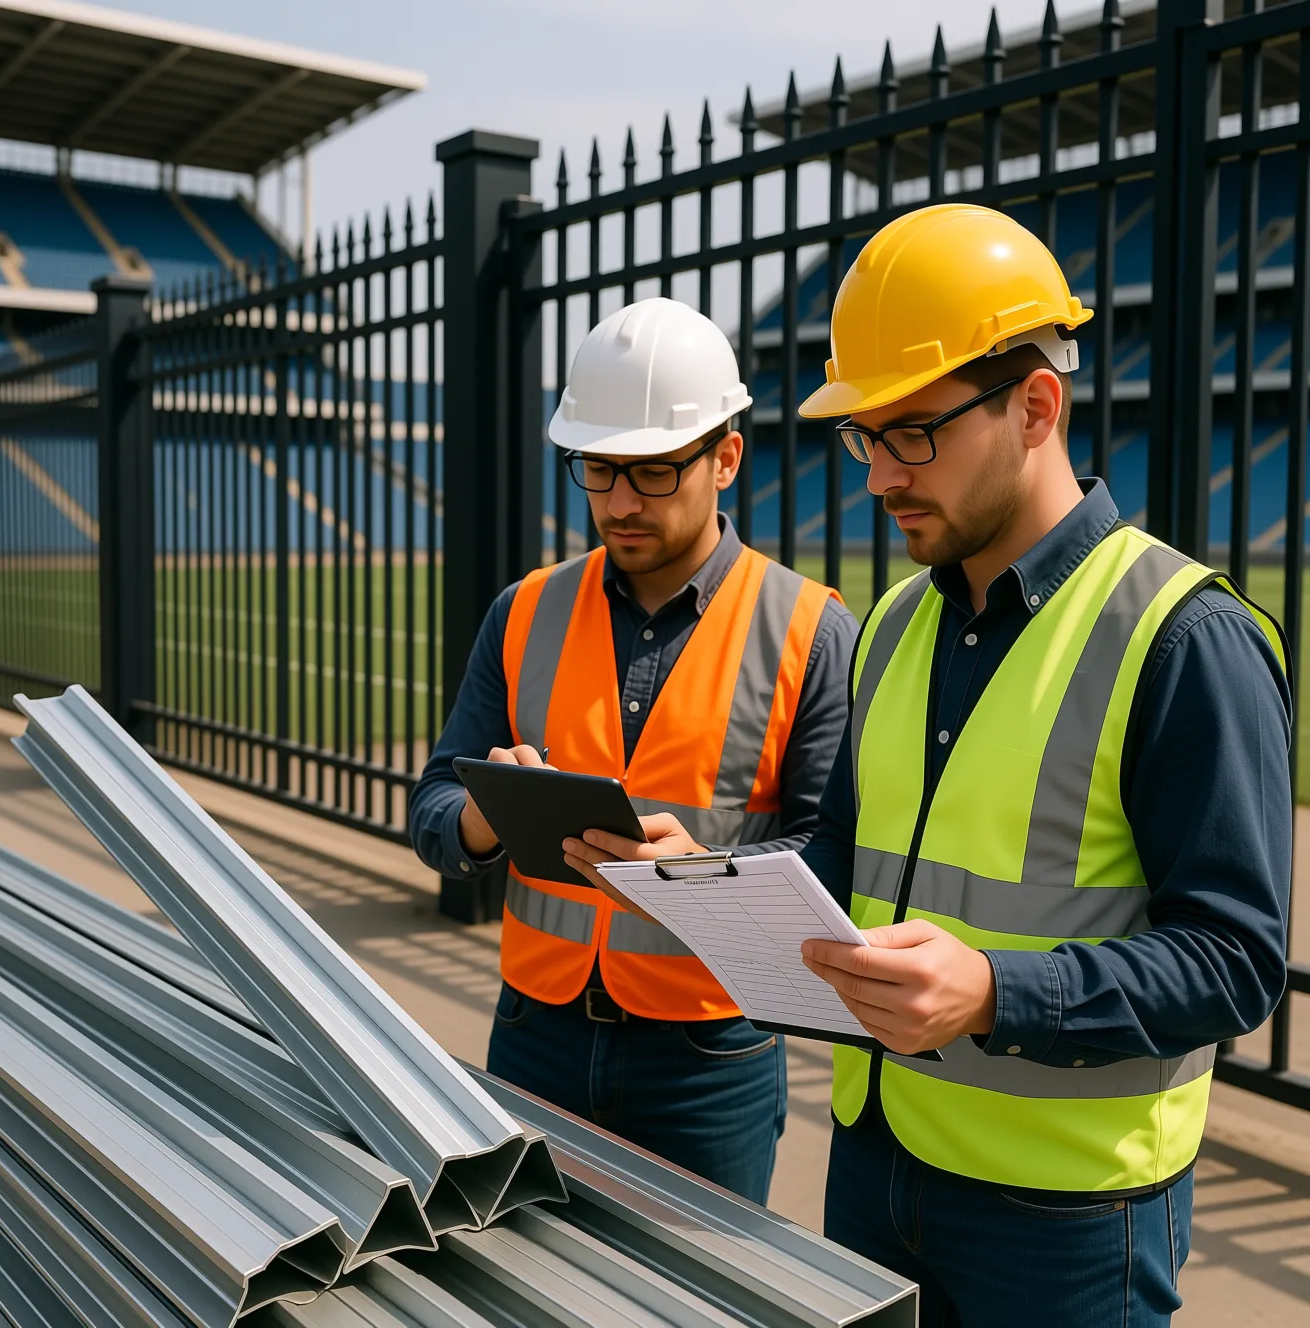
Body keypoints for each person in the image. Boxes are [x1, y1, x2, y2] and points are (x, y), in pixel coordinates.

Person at [794, 204, 1292, 1325]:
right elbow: (841, 852)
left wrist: (990, 992)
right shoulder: (887, 628)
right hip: (873, 1161)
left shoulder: (1178, 635)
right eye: (863, 436)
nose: (879, 475)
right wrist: (710, 878)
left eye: (912, 431)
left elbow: (1232, 963)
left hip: (1067, 1219)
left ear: (1034, 405)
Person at [409, 296, 858, 1204]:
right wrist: (488, 821)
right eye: (599, 470)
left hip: (707, 1059)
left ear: (725, 458)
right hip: (534, 1031)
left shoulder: (811, 630)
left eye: (653, 473)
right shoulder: (523, 610)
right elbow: (432, 810)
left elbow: (835, 865)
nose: (619, 502)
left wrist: (708, 873)